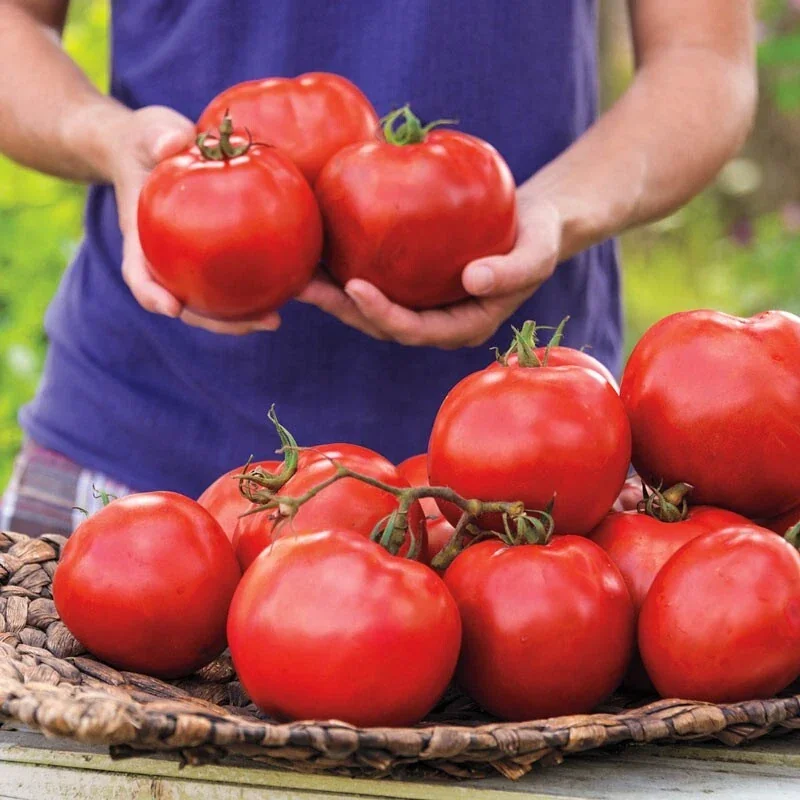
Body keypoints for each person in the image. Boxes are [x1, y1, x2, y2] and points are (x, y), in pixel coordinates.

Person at [0, 1, 755, 537]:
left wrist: (559, 208)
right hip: (126, 483)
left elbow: (704, 58)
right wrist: (105, 137)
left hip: (528, 506)